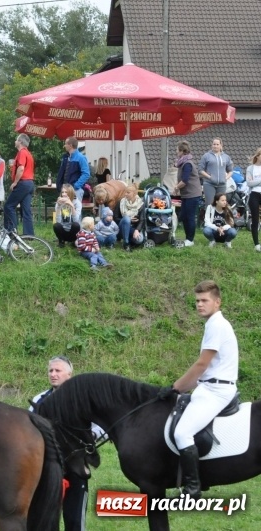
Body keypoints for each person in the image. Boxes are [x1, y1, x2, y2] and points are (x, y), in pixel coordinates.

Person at [160, 281, 238, 499]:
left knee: (182, 432)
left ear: (217, 302)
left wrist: (175, 387)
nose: (200, 305)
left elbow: (202, 364)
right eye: (197, 301)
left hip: (217, 391)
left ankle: (193, 489)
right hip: (208, 387)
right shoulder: (213, 323)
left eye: (204, 300)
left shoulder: (216, 325)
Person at [30, 356, 102, 531]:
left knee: (75, 519)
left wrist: (89, 439)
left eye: (58, 371)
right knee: (45, 517)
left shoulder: (83, 399)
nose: (53, 374)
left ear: (69, 375)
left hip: (75, 466)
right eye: (51, 371)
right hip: (46, 466)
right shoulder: (39, 399)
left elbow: (100, 426)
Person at [5, 133, 35, 236]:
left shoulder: (22, 153)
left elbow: (21, 168)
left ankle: (12, 231)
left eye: (16, 140)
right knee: (26, 210)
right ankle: (29, 235)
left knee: (9, 206)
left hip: (23, 183)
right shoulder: (28, 153)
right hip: (30, 183)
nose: (15, 141)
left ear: (20, 142)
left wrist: (15, 182)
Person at [175, 140, 203, 248]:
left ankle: (190, 239)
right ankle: (187, 238)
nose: (176, 152)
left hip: (193, 194)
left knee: (190, 217)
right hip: (187, 194)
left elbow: (185, 180)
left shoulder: (187, 164)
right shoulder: (183, 163)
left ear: (182, 151)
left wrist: (176, 187)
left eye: (177, 150)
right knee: (185, 216)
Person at [198, 138, 233, 207]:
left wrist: (225, 178)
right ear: (211, 145)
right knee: (210, 204)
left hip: (222, 185)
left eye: (217, 144)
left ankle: (219, 218)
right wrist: (210, 177)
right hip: (209, 184)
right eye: (214, 144)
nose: (215, 146)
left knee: (221, 204)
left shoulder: (226, 157)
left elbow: (231, 170)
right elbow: (200, 169)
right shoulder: (206, 156)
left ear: (221, 145)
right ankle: (208, 217)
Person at [57, 137, 90, 204]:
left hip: (76, 190)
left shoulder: (81, 158)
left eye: (66, 144)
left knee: (76, 212)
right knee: (64, 211)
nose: (64, 146)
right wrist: (60, 186)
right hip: (65, 190)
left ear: (70, 145)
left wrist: (76, 186)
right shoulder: (65, 157)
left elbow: (86, 174)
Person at [118, 184, 146, 251]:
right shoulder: (121, 202)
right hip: (121, 227)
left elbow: (142, 220)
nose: (125, 194)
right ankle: (126, 243)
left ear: (134, 193)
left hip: (133, 228)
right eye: (125, 192)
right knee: (127, 219)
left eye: (128, 192)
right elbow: (116, 218)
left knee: (139, 240)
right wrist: (128, 220)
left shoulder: (141, 204)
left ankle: (129, 240)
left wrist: (137, 230)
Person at [247, 148, 261, 252]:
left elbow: (253, 181)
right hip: (254, 194)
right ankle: (256, 244)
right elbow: (249, 183)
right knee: (255, 219)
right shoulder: (250, 168)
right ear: (257, 156)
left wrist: (255, 180)